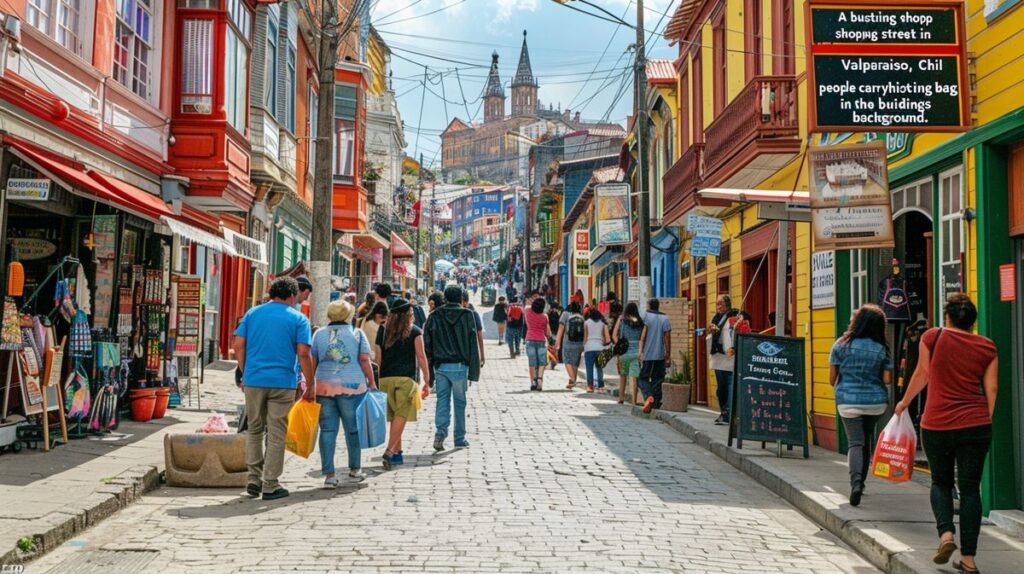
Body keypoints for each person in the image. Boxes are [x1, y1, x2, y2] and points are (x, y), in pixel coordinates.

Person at [895, 294, 998, 573]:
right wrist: (981, 420)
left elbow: (921, 375)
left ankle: (946, 535)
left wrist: (903, 404)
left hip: (937, 423)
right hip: (975, 426)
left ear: (948, 317)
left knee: (940, 482)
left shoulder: (933, 336)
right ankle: (969, 560)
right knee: (970, 491)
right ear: (972, 322)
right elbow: (991, 390)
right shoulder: (987, 346)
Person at [232, 277, 314, 500]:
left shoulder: (252, 313)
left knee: (254, 429)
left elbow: (238, 345)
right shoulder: (298, 319)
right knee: (277, 432)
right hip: (282, 382)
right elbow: (304, 353)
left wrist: (246, 369)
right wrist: (310, 383)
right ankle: (270, 483)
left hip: (254, 380)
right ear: (291, 295)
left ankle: (253, 480)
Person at [828, 304, 892, 506]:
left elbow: (832, 379)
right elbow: (888, 379)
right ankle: (861, 483)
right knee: (866, 440)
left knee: (855, 442)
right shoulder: (881, 348)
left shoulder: (840, 344)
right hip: (875, 403)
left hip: (848, 401)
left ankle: (855, 482)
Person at [309, 300, 376, 487]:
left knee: (328, 430)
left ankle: (329, 475)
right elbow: (364, 360)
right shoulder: (357, 334)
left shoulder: (319, 334)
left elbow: (313, 360)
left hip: (324, 386)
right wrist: (372, 381)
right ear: (348, 315)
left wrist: (310, 384)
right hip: (352, 386)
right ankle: (355, 469)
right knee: (352, 429)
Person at [375, 298, 431, 469]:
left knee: (393, 417)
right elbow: (421, 357)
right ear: (409, 314)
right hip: (406, 379)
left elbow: (378, 359)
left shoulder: (382, 331)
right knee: (401, 415)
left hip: (385, 379)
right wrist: (427, 380)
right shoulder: (414, 331)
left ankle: (397, 454)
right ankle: (390, 450)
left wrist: (374, 381)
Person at [423, 285, 481, 451]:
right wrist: (474, 371)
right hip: (460, 367)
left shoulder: (434, 316)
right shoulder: (467, 315)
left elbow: (428, 344)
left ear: (446, 298)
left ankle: (440, 433)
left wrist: (429, 371)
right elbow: (472, 344)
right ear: (461, 299)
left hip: (440, 367)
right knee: (460, 402)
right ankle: (459, 437)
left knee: (442, 401)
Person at [707, 294, 738, 424]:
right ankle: (724, 412)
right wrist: (711, 329)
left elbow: (737, 332)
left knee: (731, 386)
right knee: (721, 388)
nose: (718, 306)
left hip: (730, 357)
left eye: (720, 304)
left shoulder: (734, 316)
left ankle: (730, 414)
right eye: (717, 304)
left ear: (727, 304)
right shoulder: (716, 318)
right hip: (719, 357)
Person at [639, 298, 672, 413]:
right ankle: (656, 404)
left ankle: (649, 396)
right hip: (660, 355)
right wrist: (668, 354)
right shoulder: (665, 318)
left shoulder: (646, 317)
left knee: (642, 378)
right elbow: (667, 337)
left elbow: (643, 336)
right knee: (658, 379)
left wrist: (641, 352)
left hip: (648, 355)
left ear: (649, 306)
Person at [613, 302, 644, 405]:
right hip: (636, 351)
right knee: (634, 376)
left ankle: (621, 398)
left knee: (623, 375)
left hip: (624, 351)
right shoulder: (640, 322)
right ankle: (634, 401)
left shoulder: (622, 321)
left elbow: (614, 335)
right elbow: (642, 338)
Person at [524, 297, 553, 391]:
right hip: (541, 340)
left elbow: (528, 305)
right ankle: (540, 379)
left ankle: (532, 381)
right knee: (542, 362)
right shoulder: (544, 316)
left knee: (532, 362)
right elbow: (548, 333)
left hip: (530, 339)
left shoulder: (527, 311)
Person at [555, 302, 585, 389]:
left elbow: (560, 329)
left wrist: (557, 343)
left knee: (567, 360)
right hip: (579, 343)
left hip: (568, 342)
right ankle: (573, 380)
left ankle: (572, 379)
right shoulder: (581, 317)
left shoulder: (565, 314)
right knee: (575, 362)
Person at [582, 308, 610, 393]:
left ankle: (590, 386)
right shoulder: (602, 324)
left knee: (589, 368)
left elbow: (585, 337)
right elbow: (607, 339)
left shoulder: (586, 323)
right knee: (599, 368)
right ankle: (600, 386)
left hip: (589, 347)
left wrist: (584, 347)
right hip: (599, 348)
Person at [461, 290, 486, 373]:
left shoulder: (473, 314)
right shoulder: (473, 314)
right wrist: (482, 355)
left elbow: (480, 335)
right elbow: (479, 335)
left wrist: (482, 355)